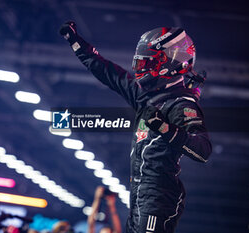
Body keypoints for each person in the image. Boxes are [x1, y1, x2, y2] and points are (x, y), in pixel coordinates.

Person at [59, 22, 212, 233]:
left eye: (148, 63)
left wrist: (166, 129)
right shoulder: (146, 98)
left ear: (171, 62)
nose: (142, 69)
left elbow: (202, 151)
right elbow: (108, 72)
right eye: (141, 63)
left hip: (159, 197)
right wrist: (76, 42)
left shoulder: (182, 105)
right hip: (139, 195)